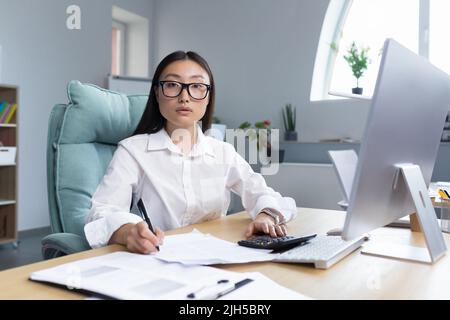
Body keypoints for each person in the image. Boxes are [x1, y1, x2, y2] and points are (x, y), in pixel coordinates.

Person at [84, 51, 297, 254]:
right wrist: (127, 232)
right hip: (158, 259)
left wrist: (266, 216)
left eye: (196, 86)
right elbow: (101, 214)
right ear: (157, 92)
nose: (184, 96)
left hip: (217, 256)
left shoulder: (222, 152)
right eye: (172, 85)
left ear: (207, 96)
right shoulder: (133, 151)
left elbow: (263, 193)